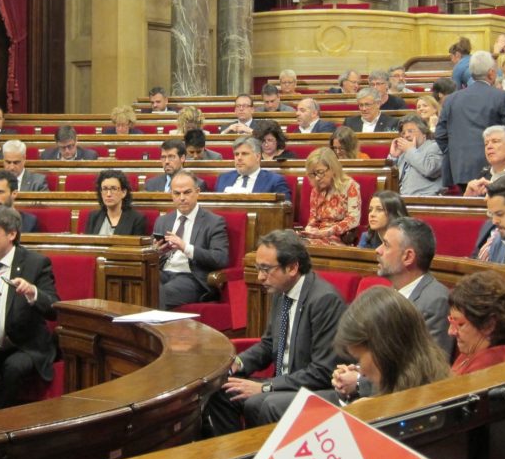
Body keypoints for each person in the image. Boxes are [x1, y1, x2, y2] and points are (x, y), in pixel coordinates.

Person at [204, 229, 345, 434]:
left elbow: (322, 371)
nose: (260, 277)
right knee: (221, 392)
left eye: (266, 269)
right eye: (258, 268)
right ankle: (235, 452)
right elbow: (269, 343)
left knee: (258, 403)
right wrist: (238, 363)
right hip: (282, 383)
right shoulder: (282, 291)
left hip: (312, 389)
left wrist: (266, 387)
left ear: (292, 267)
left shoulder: (324, 301)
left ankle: (258, 453)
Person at [0, 205, 59, 409]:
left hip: (25, 345)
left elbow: (54, 308)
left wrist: (33, 292)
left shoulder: (35, 263)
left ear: (12, 234)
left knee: (13, 368)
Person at [328, 287, 450, 406]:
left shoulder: (429, 404)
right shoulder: (400, 383)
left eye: (359, 358)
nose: (362, 372)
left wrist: (376, 409)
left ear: (386, 350)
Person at [434, 50, 505, 189]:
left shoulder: (451, 99)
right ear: (491, 73)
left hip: (459, 169)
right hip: (494, 170)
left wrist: (456, 153)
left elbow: (440, 134)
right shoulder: (501, 97)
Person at [376, 217, 454, 354]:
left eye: (386, 245)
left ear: (408, 257)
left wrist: (364, 370)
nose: (378, 250)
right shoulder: (388, 294)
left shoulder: (436, 301)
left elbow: (431, 364)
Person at [153, 170, 229, 310]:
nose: (182, 198)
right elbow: (154, 255)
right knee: (140, 285)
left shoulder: (214, 222)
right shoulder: (163, 221)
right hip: (163, 272)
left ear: (197, 192)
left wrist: (185, 247)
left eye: (187, 192)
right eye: (177, 193)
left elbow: (220, 258)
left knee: (159, 294)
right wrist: (156, 252)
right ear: (171, 194)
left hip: (193, 277)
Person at [447, 271, 505, 375]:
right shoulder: (474, 349)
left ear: (489, 325)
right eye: (451, 320)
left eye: (460, 324)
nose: (450, 332)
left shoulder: (487, 370)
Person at [300, 147, 361, 246]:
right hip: (317, 236)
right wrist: (309, 231)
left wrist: (326, 232)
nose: (317, 178)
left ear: (333, 168)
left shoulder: (350, 186)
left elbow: (353, 219)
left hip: (338, 237)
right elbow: (312, 220)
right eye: (313, 174)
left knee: (304, 246)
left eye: (320, 172)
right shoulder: (316, 190)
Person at [214, 136, 291, 200]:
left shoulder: (274, 181)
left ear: (257, 157)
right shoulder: (223, 178)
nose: (239, 158)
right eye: (236, 154)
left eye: (244, 154)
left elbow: (284, 207)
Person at [388, 114, 443, 196]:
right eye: (403, 133)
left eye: (410, 131)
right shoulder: (404, 152)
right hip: (402, 198)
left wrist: (410, 150)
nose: (406, 135)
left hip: (426, 198)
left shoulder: (435, 147)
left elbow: (430, 170)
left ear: (424, 133)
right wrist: (393, 157)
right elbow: (389, 177)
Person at [84, 169, 147, 236]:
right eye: (105, 189)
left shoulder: (136, 219)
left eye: (114, 189)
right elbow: (87, 241)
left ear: (123, 192)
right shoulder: (94, 217)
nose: (108, 194)